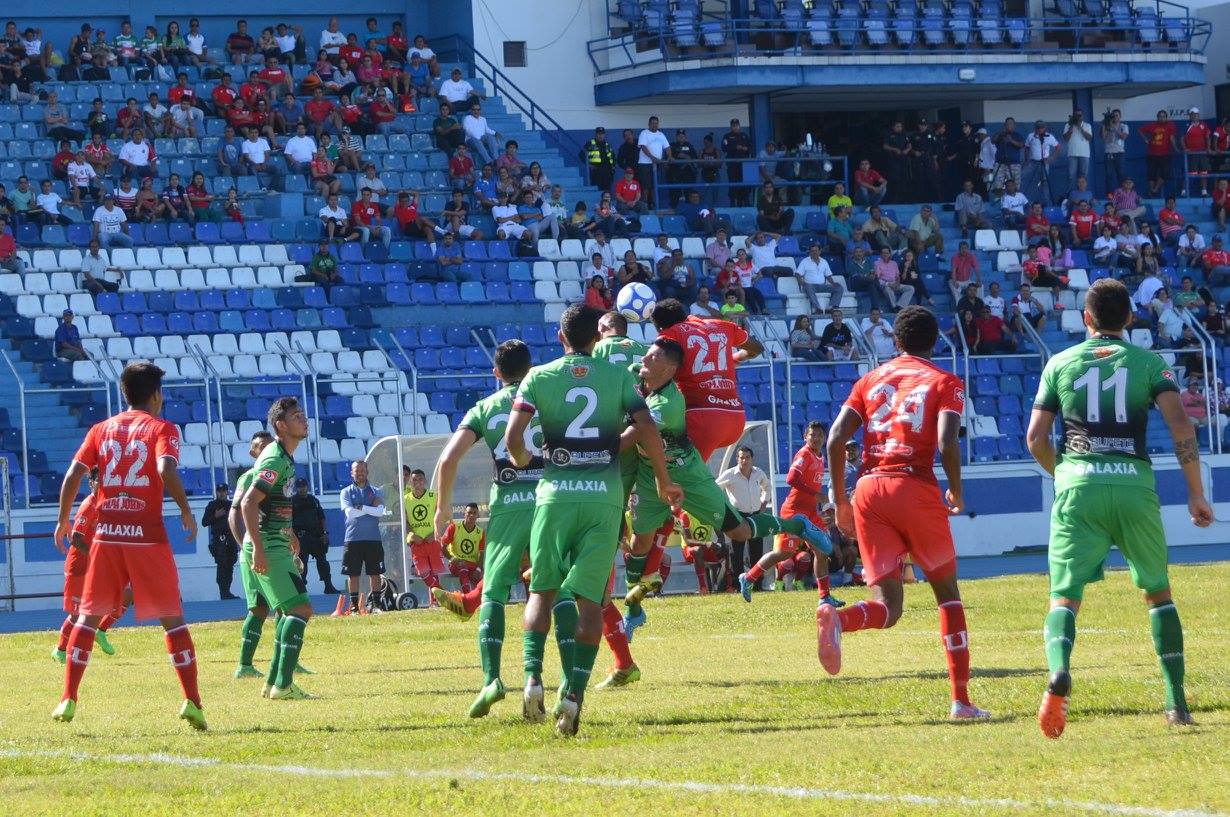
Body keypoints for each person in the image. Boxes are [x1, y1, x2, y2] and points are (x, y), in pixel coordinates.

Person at [1027, 278, 1209, 737]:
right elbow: (1181, 425)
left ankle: (1059, 672)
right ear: (1129, 318)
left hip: (1079, 486)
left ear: (1085, 318)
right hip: (1134, 486)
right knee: (1158, 593)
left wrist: (1064, 474)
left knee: (1064, 596)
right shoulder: (1149, 363)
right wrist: (1195, 492)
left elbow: (1035, 438)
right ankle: (1176, 703)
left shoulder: (1060, 362)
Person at [503, 305, 681, 735]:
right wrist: (662, 480)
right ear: (595, 340)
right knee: (590, 602)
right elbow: (647, 428)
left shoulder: (538, 376)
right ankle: (574, 696)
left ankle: (532, 679)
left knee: (541, 592)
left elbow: (513, 439)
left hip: (555, 497)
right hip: (604, 498)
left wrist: (523, 459)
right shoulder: (618, 377)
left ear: (560, 338)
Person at [820, 306, 991, 721]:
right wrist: (956, 488)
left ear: (895, 341)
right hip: (912, 485)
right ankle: (961, 701)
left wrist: (840, 500)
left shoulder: (869, 379)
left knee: (889, 606)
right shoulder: (944, 381)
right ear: (935, 343)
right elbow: (947, 441)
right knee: (947, 595)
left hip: (869, 489)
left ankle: (839, 620)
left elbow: (836, 438)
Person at [51, 362, 205, 729]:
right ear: (156, 395)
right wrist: (186, 510)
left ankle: (68, 697)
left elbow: (74, 473)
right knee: (172, 618)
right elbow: (166, 469)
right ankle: (192, 701)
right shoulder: (162, 428)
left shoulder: (101, 429)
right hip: (147, 536)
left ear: (125, 393)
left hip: (107, 535)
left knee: (88, 617)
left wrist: (63, 519)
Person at [236, 398, 314, 700]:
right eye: (296, 416)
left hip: (275, 542)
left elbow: (270, 503)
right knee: (299, 609)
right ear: (281, 425)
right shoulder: (275, 459)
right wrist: (258, 548)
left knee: (288, 611)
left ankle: (273, 684)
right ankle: (283, 685)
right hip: (268, 545)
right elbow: (248, 503)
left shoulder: (284, 456)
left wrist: (289, 533)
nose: (304, 420)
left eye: (303, 415)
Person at [737, 420, 838, 605]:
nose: (816, 438)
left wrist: (819, 505)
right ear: (805, 437)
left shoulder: (820, 456)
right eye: (812, 435)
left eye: (820, 435)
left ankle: (825, 597)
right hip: (794, 512)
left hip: (810, 513)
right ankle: (749, 577)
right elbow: (791, 478)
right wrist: (816, 495)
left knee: (821, 551)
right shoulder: (804, 454)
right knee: (783, 554)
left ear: (824, 438)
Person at [652, 298, 764, 462]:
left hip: (702, 418)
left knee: (677, 472)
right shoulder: (723, 325)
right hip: (736, 419)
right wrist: (733, 359)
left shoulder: (671, 334)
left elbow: (656, 370)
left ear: (661, 327)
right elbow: (757, 348)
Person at [51, 468, 132, 666]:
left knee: (127, 594)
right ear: (91, 483)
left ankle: (101, 631)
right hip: (80, 566)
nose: (103, 485)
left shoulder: (110, 505)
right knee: (77, 614)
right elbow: (76, 539)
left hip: (101, 566)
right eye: (99, 481)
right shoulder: (89, 505)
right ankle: (60, 650)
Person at [716, 446, 773, 588]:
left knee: (757, 551)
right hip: (738, 516)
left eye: (747, 457)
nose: (744, 461)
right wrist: (725, 507)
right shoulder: (730, 474)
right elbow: (715, 488)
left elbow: (767, 487)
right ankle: (738, 585)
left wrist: (764, 502)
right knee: (737, 553)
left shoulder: (758, 473)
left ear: (752, 459)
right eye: (741, 457)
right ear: (737, 459)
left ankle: (758, 585)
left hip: (755, 515)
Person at [339, 460, 385, 617]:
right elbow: (350, 513)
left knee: (375, 573)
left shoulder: (376, 491)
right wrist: (370, 508)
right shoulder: (345, 492)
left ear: (367, 472)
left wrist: (361, 507)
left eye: (362, 471)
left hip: (373, 539)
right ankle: (354, 607)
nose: (360, 474)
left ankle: (376, 605)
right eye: (356, 471)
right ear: (352, 473)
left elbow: (380, 512)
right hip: (353, 539)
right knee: (353, 574)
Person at [403, 467, 445, 600]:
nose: (417, 482)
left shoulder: (433, 496)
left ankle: (435, 602)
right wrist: (412, 535)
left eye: (420, 479)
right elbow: (404, 521)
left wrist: (435, 532)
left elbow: (442, 516)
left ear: (425, 481)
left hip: (432, 539)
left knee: (434, 571)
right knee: (423, 572)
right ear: (410, 482)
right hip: (416, 541)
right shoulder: (405, 499)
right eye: (414, 480)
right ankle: (443, 595)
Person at [292, 478, 338, 594]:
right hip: (301, 537)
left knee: (322, 561)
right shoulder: (292, 501)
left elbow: (322, 518)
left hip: (316, 536)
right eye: (300, 486)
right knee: (302, 563)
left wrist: (324, 533)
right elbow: (288, 521)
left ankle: (328, 586)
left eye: (304, 486)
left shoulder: (314, 500)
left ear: (307, 486)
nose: (302, 489)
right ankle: (301, 590)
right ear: (296, 488)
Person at [201, 483, 240, 600]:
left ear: (227, 492)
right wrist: (215, 516)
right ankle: (223, 592)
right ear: (216, 492)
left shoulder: (231, 505)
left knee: (230, 563)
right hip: (219, 539)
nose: (221, 493)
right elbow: (204, 522)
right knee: (222, 564)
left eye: (223, 491)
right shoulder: (212, 505)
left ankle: (227, 591)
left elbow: (239, 521)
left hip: (231, 538)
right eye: (219, 491)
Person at [442, 503, 484, 594]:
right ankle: (467, 596)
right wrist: (452, 558)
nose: (471, 515)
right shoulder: (454, 527)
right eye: (469, 513)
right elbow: (443, 546)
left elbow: (482, 554)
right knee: (463, 568)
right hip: (457, 563)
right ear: (464, 514)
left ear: (478, 515)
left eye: (474, 513)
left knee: (483, 577)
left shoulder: (481, 532)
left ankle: (482, 599)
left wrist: (479, 569)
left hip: (472, 564)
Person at [636, 115, 670, 209]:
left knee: (654, 185)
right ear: (649, 124)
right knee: (646, 186)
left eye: (656, 123)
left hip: (656, 164)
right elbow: (643, 147)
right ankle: (645, 205)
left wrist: (670, 157)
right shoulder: (644, 133)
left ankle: (654, 205)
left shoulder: (661, 134)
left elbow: (667, 147)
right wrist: (652, 157)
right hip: (645, 164)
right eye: (652, 123)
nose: (654, 125)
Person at [584, 126, 616, 193]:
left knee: (607, 193)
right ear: (596, 134)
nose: (600, 135)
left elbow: (613, 157)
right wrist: (589, 165)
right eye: (599, 134)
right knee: (597, 192)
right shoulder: (590, 143)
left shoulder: (607, 145)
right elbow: (581, 155)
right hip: (596, 172)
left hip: (607, 172)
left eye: (602, 134)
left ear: (604, 135)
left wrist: (613, 167)